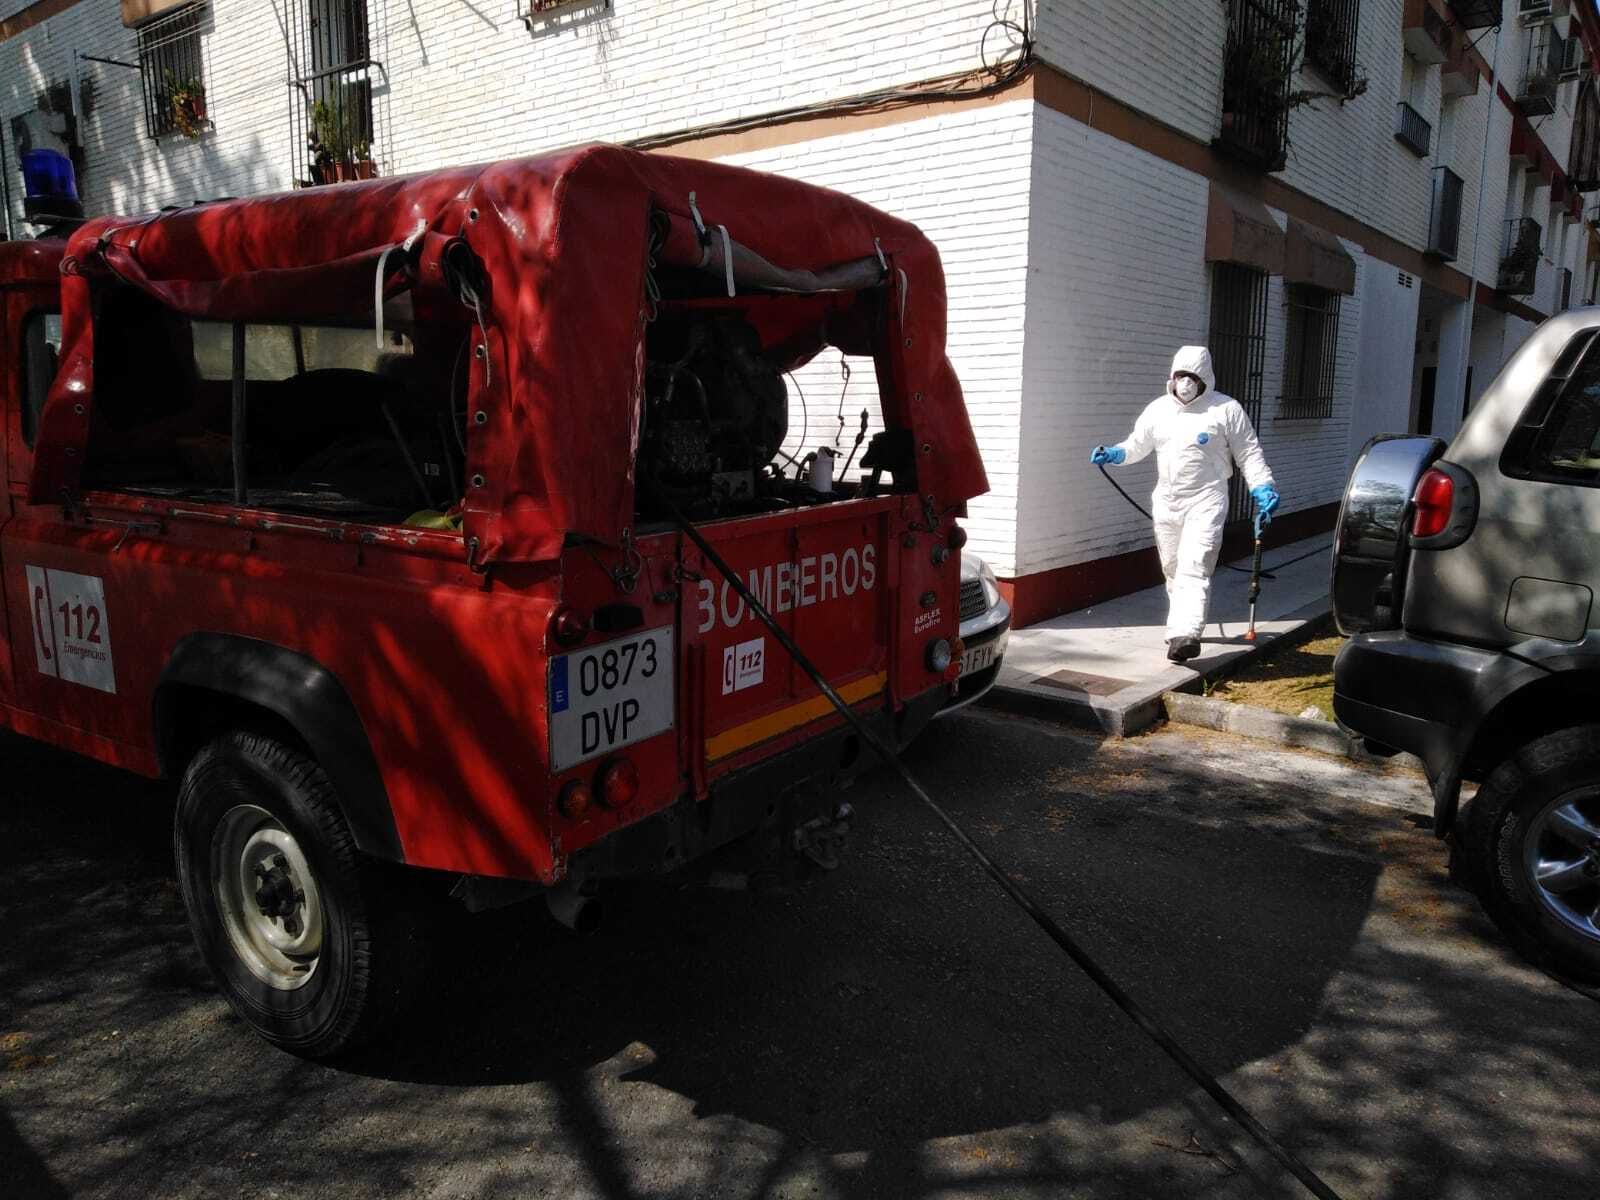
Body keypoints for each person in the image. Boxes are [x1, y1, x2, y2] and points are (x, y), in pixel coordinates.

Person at [1090, 345, 1278, 663]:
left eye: (1193, 377)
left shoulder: (1225, 410)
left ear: (1205, 378)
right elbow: (1137, 444)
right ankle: (1179, 629)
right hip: (1166, 501)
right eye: (1181, 376)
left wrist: (1263, 487)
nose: (1186, 383)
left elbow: (1248, 452)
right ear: (1172, 377)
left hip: (1206, 499)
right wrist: (1115, 454)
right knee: (1173, 568)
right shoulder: (1158, 410)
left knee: (1194, 565)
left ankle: (1186, 634)